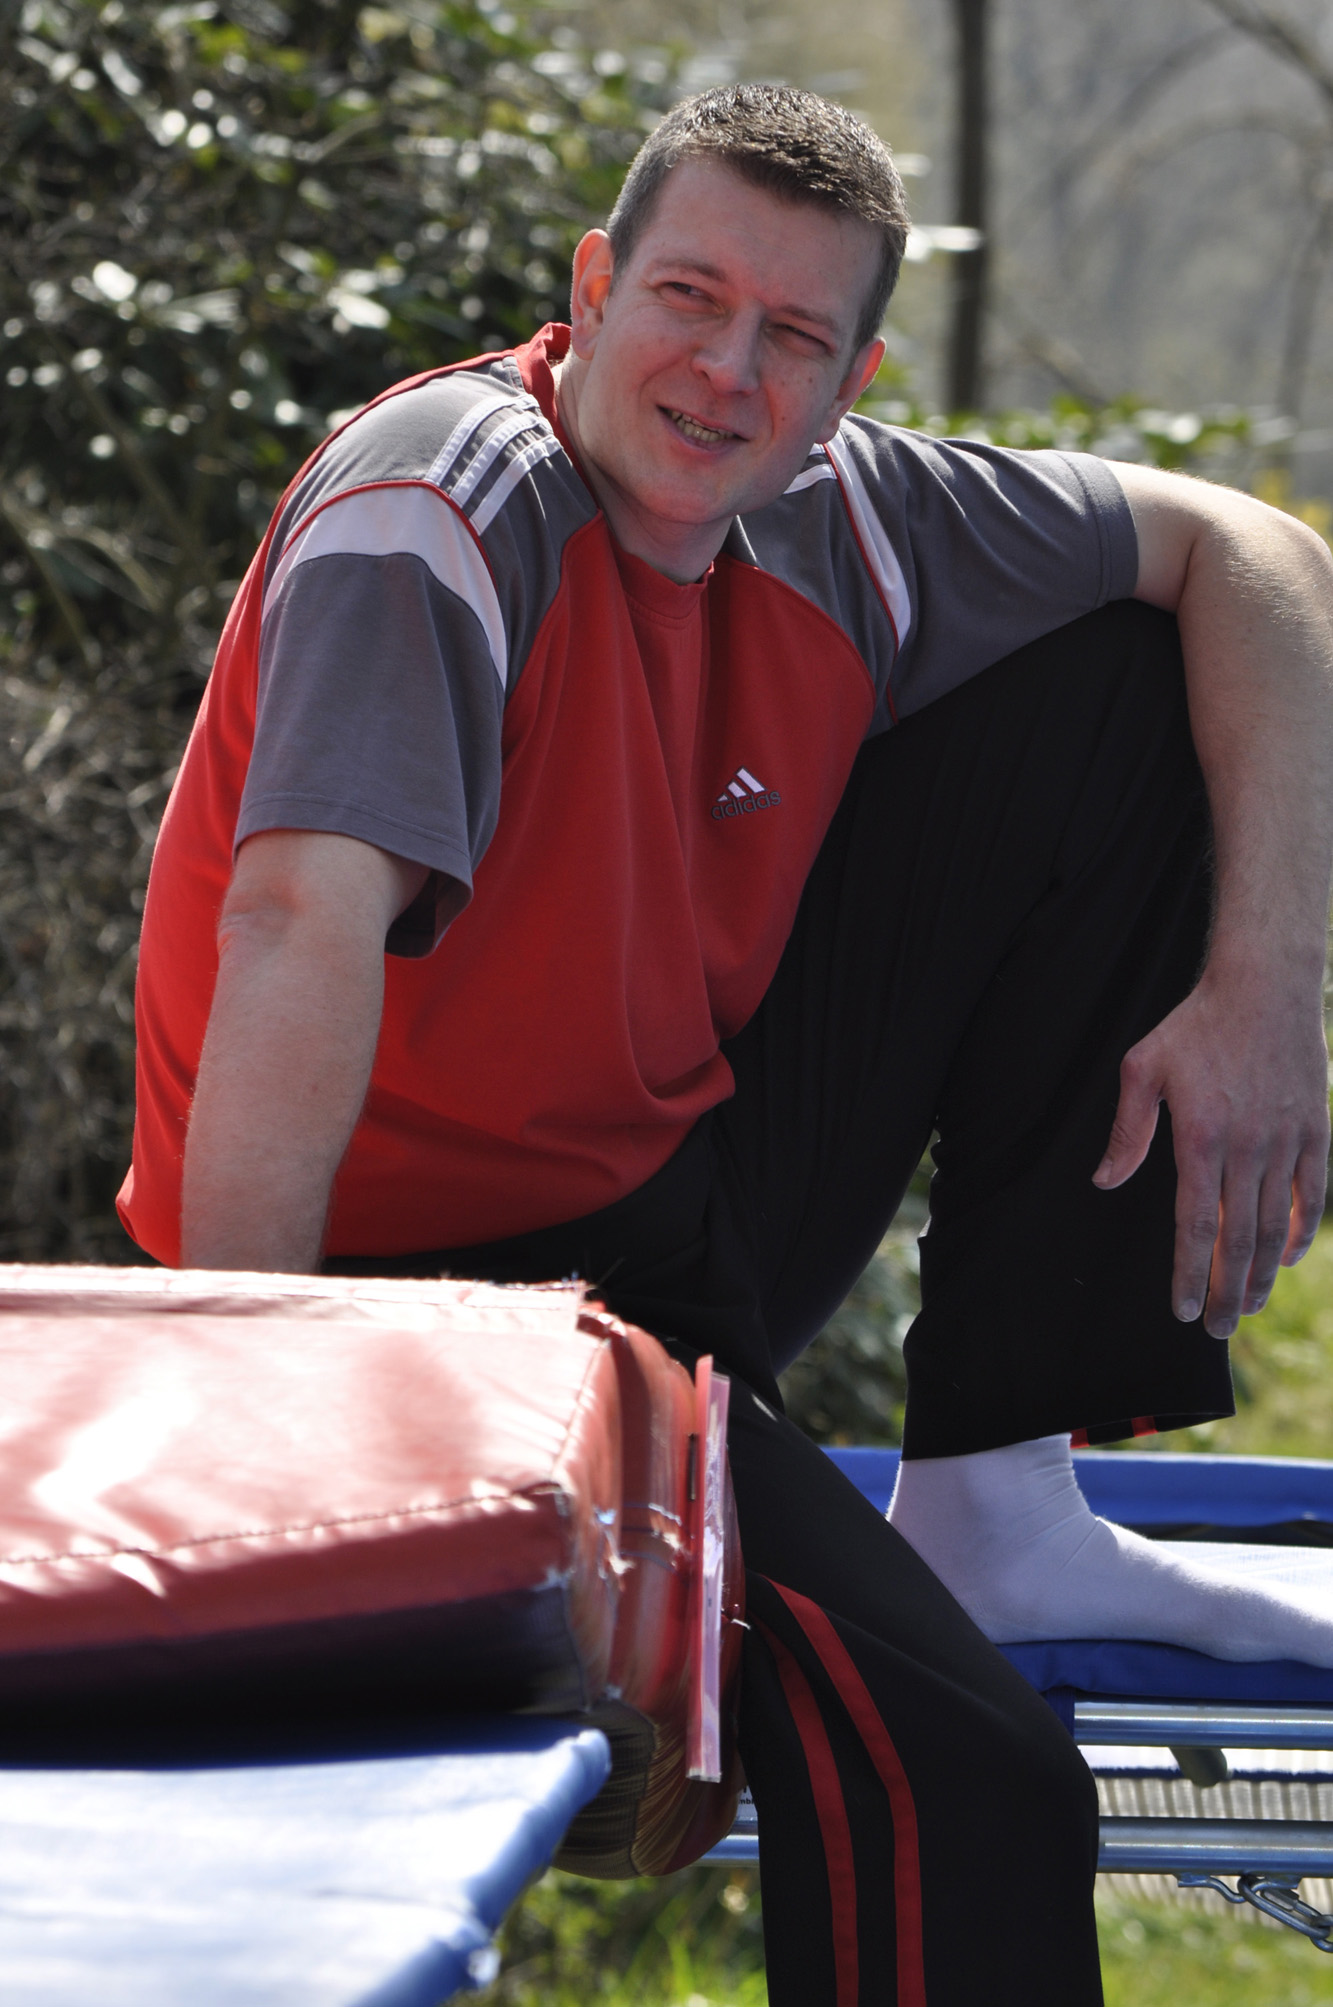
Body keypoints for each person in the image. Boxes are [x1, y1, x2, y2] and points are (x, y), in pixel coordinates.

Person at [118, 84, 1333, 2004]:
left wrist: (1267, 987)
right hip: (400, 1308)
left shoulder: (850, 516)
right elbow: (290, 928)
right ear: (594, 288)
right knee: (973, 1782)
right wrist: (266, 1439)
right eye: (687, 297)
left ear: (848, 385)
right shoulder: (439, 508)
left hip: (673, 1210)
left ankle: (1000, 1494)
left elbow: (1257, 554)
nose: (724, 371)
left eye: (790, 335)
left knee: (1126, 668)